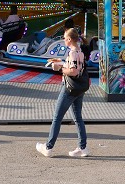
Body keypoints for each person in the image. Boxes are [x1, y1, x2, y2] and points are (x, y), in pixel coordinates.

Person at [36, 28, 89, 158]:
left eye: (65, 38)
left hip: (69, 88)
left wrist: (59, 69)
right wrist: (63, 64)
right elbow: (78, 68)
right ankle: (83, 147)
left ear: (69, 39)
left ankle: (48, 147)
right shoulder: (80, 51)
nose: (64, 40)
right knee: (78, 118)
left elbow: (73, 71)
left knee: (57, 118)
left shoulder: (73, 53)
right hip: (79, 88)